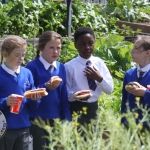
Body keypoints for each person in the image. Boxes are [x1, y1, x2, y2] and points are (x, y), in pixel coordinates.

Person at [26, 31, 71, 150]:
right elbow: (28, 92)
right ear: (41, 48)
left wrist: (67, 119)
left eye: (58, 48)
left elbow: (63, 96)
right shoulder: (32, 67)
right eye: (51, 47)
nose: (56, 51)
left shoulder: (61, 67)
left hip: (55, 120)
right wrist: (46, 87)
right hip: (37, 120)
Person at [64, 26, 114, 125]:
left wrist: (99, 78)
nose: (87, 47)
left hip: (94, 108)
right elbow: (65, 94)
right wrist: (76, 96)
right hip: (76, 108)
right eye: (82, 44)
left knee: (93, 139)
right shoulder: (69, 67)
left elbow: (110, 90)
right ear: (75, 45)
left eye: (90, 43)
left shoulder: (99, 63)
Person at [0, 35, 42, 150]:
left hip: (24, 128)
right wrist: (5, 102)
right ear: (5, 55)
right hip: (3, 130)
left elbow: (32, 106)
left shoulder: (27, 73)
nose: (21, 58)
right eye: (17, 55)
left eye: (23, 55)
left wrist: (35, 100)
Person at [121, 35, 150, 130]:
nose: (131, 51)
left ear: (147, 53)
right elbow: (124, 101)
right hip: (129, 124)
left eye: (136, 48)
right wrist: (122, 121)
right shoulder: (129, 74)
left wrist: (145, 93)